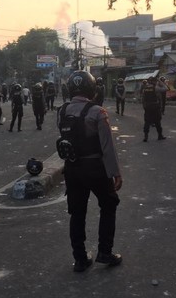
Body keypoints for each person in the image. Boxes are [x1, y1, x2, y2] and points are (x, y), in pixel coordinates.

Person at [56, 70, 122, 272]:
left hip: (72, 169)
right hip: (95, 168)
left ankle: (80, 259)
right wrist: (115, 172)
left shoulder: (62, 111)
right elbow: (107, 146)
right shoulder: (98, 112)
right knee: (109, 204)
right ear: (92, 89)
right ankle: (105, 251)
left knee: (77, 212)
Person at [141, 76, 166, 142]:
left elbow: (143, 99)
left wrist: (144, 106)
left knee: (147, 122)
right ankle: (160, 135)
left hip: (148, 107)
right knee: (157, 122)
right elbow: (165, 88)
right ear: (155, 81)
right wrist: (160, 81)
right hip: (155, 107)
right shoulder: (156, 88)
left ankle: (145, 136)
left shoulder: (145, 88)